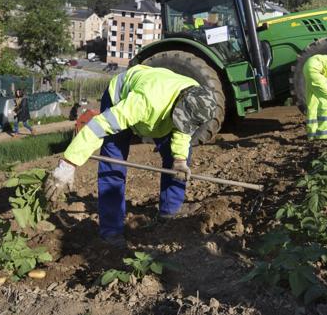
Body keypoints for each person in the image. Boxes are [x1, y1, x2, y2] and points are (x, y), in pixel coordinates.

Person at [44, 64, 217, 246]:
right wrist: (68, 163)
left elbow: (182, 131)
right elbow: (97, 127)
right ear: (179, 103)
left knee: (178, 157)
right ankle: (111, 230)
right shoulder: (144, 102)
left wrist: (180, 159)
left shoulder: (195, 95)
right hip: (120, 99)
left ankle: (171, 209)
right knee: (114, 163)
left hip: (160, 108)